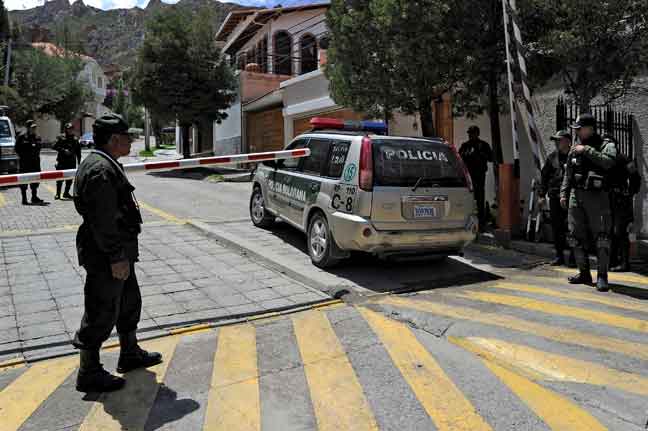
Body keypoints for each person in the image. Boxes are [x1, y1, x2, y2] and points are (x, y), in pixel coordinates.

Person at [72, 113, 161, 393]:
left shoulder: (107, 164)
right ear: (113, 140)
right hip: (106, 254)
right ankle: (89, 370)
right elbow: (103, 219)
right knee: (101, 308)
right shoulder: (100, 170)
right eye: (127, 138)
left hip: (118, 250)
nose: (131, 143)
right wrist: (115, 257)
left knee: (128, 301)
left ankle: (129, 352)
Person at [560, 113, 617, 292]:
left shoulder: (605, 145)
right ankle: (584, 273)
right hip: (576, 196)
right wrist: (563, 194)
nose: (576, 132)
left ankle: (602, 276)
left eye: (579, 129)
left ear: (590, 129)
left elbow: (609, 163)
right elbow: (568, 174)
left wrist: (587, 151)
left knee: (601, 238)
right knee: (575, 236)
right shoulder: (574, 149)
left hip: (597, 198)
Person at [539, 130, 575, 267]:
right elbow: (544, 177)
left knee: (572, 228)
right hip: (555, 197)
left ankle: (573, 257)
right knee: (557, 228)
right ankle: (559, 256)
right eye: (555, 140)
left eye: (559, 140)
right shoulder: (552, 157)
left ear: (567, 141)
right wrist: (542, 195)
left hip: (571, 198)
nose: (556, 143)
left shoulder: (574, 155)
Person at [608, 138, 642, 272]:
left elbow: (636, 178)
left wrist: (630, 192)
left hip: (620, 200)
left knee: (620, 231)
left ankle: (624, 262)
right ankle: (612, 260)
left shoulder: (623, 159)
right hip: (607, 199)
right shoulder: (601, 159)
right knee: (609, 231)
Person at [459, 126, 493, 229]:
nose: (470, 135)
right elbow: (459, 158)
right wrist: (467, 154)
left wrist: (481, 154)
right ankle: (467, 223)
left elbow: (491, 158)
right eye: (469, 133)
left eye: (472, 133)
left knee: (480, 199)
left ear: (477, 133)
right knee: (469, 199)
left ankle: (481, 223)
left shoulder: (483, 145)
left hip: (479, 175)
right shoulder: (465, 146)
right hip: (468, 176)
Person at [15, 120, 45, 205]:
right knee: (23, 180)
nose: (34, 129)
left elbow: (39, 148)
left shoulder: (37, 137)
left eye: (35, 127)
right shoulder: (21, 137)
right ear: (28, 128)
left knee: (35, 179)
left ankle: (34, 197)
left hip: (35, 162)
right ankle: (24, 198)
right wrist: (24, 155)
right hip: (24, 163)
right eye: (32, 127)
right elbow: (17, 149)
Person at [53, 123, 82, 200]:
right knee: (59, 178)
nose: (70, 130)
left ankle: (66, 193)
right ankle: (57, 194)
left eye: (72, 129)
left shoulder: (75, 139)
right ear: (66, 129)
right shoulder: (61, 137)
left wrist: (79, 162)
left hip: (71, 162)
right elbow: (54, 146)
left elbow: (78, 152)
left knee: (69, 179)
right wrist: (63, 150)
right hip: (62, 161)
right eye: (69, 129)